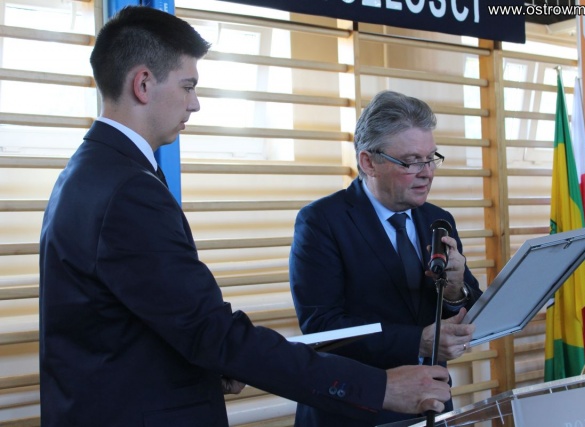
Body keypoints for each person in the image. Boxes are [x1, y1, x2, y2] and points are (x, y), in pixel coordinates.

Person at [38, 7, 453, 427]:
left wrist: (219, 358)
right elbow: (211, 332)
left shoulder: (93, 170)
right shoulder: (129, 189)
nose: (195, 103)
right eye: (188, 86)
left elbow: (145, 320)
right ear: (143, 83)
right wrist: (380, 388)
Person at [289, 90, 483, 426]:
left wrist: (455, 290)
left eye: (431, 158)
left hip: (431, 404)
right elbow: (323, 328)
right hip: (354, 410)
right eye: (411, 161)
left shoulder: (439, 219)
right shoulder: (322, 221)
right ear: (369, 162)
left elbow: (468, 307)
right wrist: (418, 342)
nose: (427, 172)